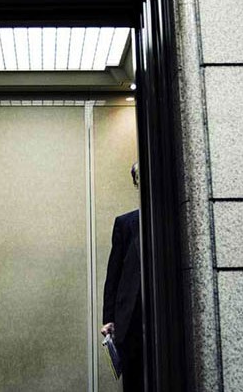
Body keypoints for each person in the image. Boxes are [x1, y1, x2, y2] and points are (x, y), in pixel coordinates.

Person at [101, 163, 143, 392]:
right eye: (138, 177)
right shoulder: (125, 223)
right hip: (130, 318)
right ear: (136, 183)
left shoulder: (169, 219)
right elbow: (114, 274)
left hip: (161, 315)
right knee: (134, 380)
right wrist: (108, 318)